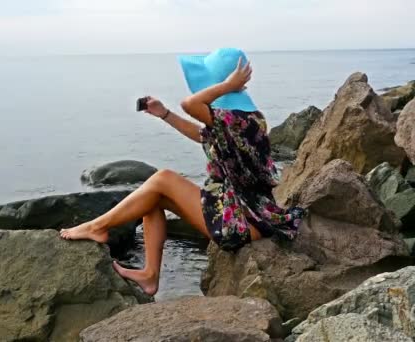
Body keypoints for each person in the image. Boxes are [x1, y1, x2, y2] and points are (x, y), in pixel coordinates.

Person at [60, 48, 305, 296]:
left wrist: (227, 85)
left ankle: (96, 227)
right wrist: (164, 114)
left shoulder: (235, 119)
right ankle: (149, 276)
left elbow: (190, 104)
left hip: (239, 223)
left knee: (163, 178)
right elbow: (202, 136)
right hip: (245, 215)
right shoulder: (244, 118)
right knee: (151, 198)